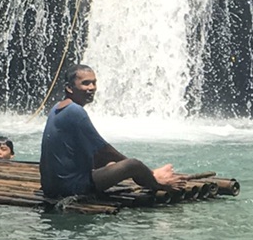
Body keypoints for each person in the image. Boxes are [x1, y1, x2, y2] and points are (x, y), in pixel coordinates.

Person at [39, 64, 178, 201]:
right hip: (70, 187)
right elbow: (105, 151)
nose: (92, 88)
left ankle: (151, 175)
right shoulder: (75, 112)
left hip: (50, 186)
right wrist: (143, 172)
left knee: (111, 164)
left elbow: (95, 154)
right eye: (85, 83)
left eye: (94, 83)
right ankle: (158, 182)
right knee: (133, 165)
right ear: (69, 88)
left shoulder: (57, 108)